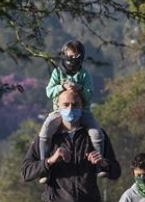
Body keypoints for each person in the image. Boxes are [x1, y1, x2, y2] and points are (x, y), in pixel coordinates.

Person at [39, 39, 105, 184]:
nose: (72, 61)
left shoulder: (84, 74)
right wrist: (62, 87)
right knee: (45, 133)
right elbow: (49, 92)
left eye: (76, 58)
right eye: (69, 57)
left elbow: (89, 94)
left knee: (97, 133)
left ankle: (100, 165)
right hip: (59, 111)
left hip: (82, 111)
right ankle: (43, 166)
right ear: (64, 56)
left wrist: (80, 89)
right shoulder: (57, 72)